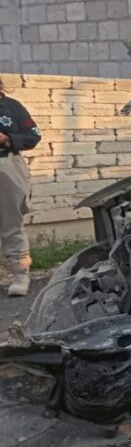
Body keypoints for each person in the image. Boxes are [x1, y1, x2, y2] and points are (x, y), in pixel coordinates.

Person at [0, 79, 41, 296]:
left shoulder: (12, 107)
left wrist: (7, 139)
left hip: (6, 165)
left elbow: (34, 136)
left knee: (11, 223)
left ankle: (19, 274)